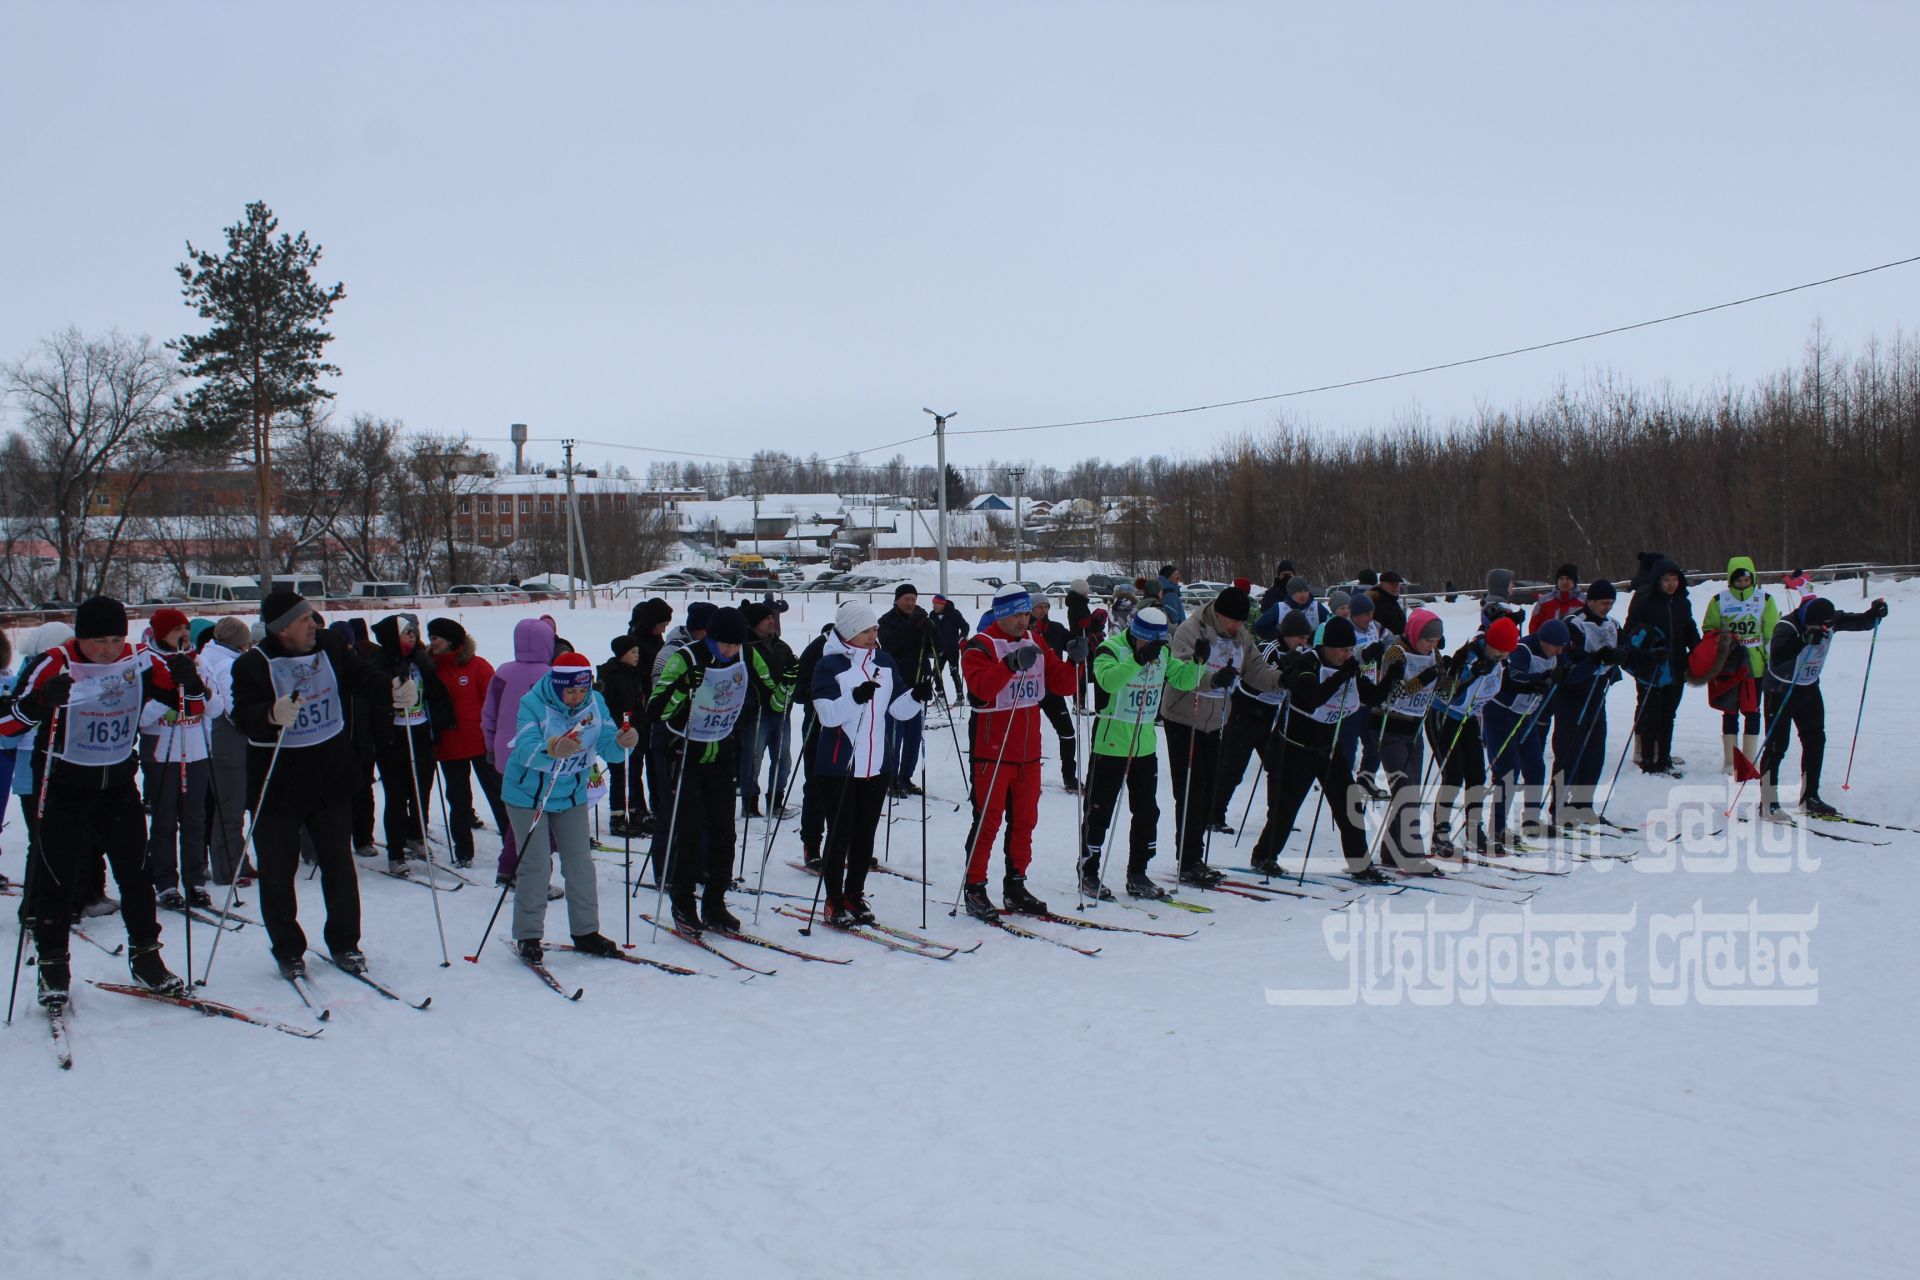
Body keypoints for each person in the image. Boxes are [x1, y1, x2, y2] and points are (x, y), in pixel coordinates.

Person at [1, 597, 193, 1006]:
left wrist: (188, 681)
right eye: (97, 641)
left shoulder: (140, 659)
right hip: (62, 786)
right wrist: (39, 703)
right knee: (58, 878)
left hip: (117, 785)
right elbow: (7, 723)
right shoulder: (53, 662)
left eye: (115, 639)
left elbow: (189, 707)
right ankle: (53, 968)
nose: (108, 650)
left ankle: (147, 957)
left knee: (136, 875)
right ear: (79, 637)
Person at [230, 590, 410, 978]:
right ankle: (288, 949)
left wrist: (392, 690)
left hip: (329, 776)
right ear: (281, 629)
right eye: (304, 620)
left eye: (312, 616)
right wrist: (270, 714)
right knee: (278, 873)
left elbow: (363, 677)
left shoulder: (330, 644)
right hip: (277, 784)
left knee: (339, 867)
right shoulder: (252, 664)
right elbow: (242, 715)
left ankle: (345, 943)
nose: (314, 624)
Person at [501, 650, 638, 958]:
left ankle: (586, 931)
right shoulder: (533, 703)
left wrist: (622, 742)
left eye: (582, 689)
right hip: (527, 795)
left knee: (580, 865)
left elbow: (608, 748)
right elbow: (523, 748)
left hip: (572, 792)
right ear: (557, 685)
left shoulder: (594, 702)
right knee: (536, 865)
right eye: (570, 690)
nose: (576, 697)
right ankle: (528, 935)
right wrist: (552, 747)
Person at [957, 584, 1080, 918]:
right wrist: (1010, 664)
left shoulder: (1036, 641)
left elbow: (1062, 684)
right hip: (992, 751)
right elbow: (981, 689)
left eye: (1026, 612)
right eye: (1016, 613)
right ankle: (975, 886)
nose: (1023, 619)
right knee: (988, 820)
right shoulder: (979, 646)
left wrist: (1076, 661)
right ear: (1001, 614)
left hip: (1028, 751)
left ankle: (1016, 883)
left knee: (1025, 821)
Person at [810, 600, 926, 925]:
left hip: (876, 766)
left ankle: (854, 894)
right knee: (840, 834)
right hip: (838, 767)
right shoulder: (829, 665)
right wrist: (854, 697)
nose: (874, 634)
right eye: (866, 630)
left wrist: (915, 696)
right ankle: (833, 900)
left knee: (865, 835)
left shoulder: (884, 661)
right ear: (849, 633)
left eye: (875, 628)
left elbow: (897, 709)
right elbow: (828, 716)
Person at [1160, 585, 1285, 886]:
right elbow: (1179, 668)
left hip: (1215, 720)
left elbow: (1254, 667)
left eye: (1241, 622)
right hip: (1183, 716)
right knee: (1190, 790)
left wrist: (1281, 679)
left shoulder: (1240, 636)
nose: (1238, 627)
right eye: (1233, 621)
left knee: (1207, 789)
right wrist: (1211, 678)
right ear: (1219, 614)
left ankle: (1195, 855)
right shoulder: (1191, 630)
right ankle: (1187, 859)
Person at [1248, 615, 1389, 880]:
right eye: (1342, 650)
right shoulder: (1307, 663)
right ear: (1327, 647)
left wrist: (1392, 675)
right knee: (1285, 809)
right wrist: (1340, 677)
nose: (1346, 655)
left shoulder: (1347, 665)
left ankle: (1360, 864)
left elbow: (1371, 696)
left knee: (1349, 805)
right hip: (1294, 748)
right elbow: (1310, 699)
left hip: (1326, 748)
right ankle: (1263, 856)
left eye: (1350, 650)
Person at [1079, 607, 1203, 900]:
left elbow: (1183, 680)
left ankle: (1138, 872)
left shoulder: (1162, 653)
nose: (1151, 649)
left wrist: (1199, 662)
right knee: (1099, 812)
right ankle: (1088, 870)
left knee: (1147, 812)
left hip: (1144, 745)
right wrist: (1137, 659)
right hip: (1110, 745)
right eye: (1145, 643)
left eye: (1155, 644)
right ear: (1135, 635)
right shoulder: (1111, 649)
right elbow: (1107, 681)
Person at [648, 606, 752, 934]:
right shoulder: (686, 658)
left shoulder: (740, 657)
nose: (731, 651)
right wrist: (683, 687)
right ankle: (683, 901)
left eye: (736, 646)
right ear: (711, 636)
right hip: (685, 754)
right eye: (726, 645)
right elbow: (656, 708)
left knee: (724, 833)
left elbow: (756, 686)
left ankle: (715, 902)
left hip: (720, 753)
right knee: (690, 832)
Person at [1758, 594, 1887, 819]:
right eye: (1823, 626)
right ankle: (1768, 802)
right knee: (1777, 747)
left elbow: (1860, 622)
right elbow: (1777, 655)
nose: (1828, 629)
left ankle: (1810, 798)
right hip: (1780, 691)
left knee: (1815, 740)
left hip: (1808, 689)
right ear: (1810, 620)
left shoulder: (1829, 619)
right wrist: (1804, 639)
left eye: (1830, 625)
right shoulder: (1787, 625)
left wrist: (1875, 614)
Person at [1213, 609, 1315, 839]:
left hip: (1272, 716)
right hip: (1246, 711)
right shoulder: (1269, 649)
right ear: (1287, 634)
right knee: (1232, 768)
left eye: (1306, 638)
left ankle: (1279, 819)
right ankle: (1214, 815)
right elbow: (1254, 679)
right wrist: (1284, 668)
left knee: (1279, 769)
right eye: (1300, 637)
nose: (1303, 642)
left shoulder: (1302, 654)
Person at [137, 608, 214, 909]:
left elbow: (215, 707)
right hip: (162, 753)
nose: (182, 634)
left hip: (196, 751)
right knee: (165, 821)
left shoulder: (198, 660)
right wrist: (164, 700)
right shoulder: (146, 661)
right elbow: (140, 718)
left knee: (195, 819)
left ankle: (195, 879)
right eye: (174, 630)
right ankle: (166, 882)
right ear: (160, 633)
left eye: (185, 628)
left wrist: (199, 691)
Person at [368, 613, 453, 876]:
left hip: (420, 731)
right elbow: (373, 699)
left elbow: (435, 693)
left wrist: (441, 720)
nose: (412, 638)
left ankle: (416, 834)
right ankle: (395, 851)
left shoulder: (420, 660)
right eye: (406, 633)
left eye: (413, 633)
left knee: (421, 789)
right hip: (393, 736)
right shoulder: (379, 664)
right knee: (396, 795)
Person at [1426, 616, 1518, 855]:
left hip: (1467, 720)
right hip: (1443, 716)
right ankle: (1440, 835)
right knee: (1453, 775)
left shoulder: (1497, 662)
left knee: (1477, 776)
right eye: (1500, 652)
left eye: (1506, 654)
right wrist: (1473, 674)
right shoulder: (1467, 656)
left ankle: (1475, 833)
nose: (1502, 658)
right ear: (1491, 642)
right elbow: (1450, 693)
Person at [426, 618, 510, 869]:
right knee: (458, 800)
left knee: (498, 795)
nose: (432, 642)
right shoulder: (429, 668)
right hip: (449, 746)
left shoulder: (478, 666)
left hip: (480, 743)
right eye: (430, 637)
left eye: (436, 637)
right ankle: (463, 850)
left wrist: (496, 736)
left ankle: (513, 846)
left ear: (451, 640)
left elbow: (496, 702)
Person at [1370, 608, 1448, 873]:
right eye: (1427, 640)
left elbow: (1445, 691)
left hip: (1414, 731)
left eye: (1436, 641)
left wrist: (1448, 673)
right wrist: (1428, 676)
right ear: (1415, 634)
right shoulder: (1396, 653)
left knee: (1410, 792)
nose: (1431, 646)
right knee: (1406, 792)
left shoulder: (1433, 654)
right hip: (1389, 728)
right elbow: (1396, 692)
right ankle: (1411, 855)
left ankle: (1391, 851)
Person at [1480, 618, 1568, 848]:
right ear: (1544, 641)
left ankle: (1531, 819)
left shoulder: (1555, 654)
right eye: (1556, 646)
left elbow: (1567, 670)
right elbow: (1515, 676)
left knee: (1536, 765)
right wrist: (1538, 680)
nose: (1559, 651)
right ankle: (1497, 828)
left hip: (1525, 715)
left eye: (1562, 646)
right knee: (1508, 770)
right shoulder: (1524, 649)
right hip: (1500, 714)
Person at [1550, 580, 1624, 825]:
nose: (1607, 608)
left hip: (1596, 696)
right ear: (1590, 601)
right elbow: (1570, 664)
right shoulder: (1574, 623)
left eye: (1611, 603)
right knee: (1569, 751)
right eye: (1604, 603)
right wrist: (1594, 661)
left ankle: (1583, 805)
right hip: (1572, 697)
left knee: (1594, 751)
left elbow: (1621, 654)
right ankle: (1560, 806)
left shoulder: (1613, 625)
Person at [1698, 556, 1777, 774]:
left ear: (1752, 578)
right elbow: (1709, 629)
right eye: (1738, 580)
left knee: (1752, 711)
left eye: (1746, 580)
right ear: (1730, 580)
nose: (1742, 584)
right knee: (1729, 711)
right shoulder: (1718, 601)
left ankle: (1749, 759)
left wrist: (1772, 661)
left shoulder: (1765, 600)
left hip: (1756, 665)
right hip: (1730, 665)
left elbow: (1771, 633)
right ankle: (1731, 762)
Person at [1622, 556, 1698, 775]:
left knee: (1669, 715)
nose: (1671, 584)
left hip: (1676, 666)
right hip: (1651, 667)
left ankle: (1664, 758)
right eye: (1666, 580)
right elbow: (1630, 631)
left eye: (1674, 579)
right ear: (1657, 580)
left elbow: (1689, 628)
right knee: (1651, 714)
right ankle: (1648, 759)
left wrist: (1698, 648)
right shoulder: (1645, 601)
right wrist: (1647, 649)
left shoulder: (1682, 601)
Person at [198, 616, 256, 886]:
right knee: (230, 809)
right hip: (227, 742)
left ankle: (237, 862)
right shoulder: (227, 664)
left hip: (218, 742)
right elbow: (234, 709)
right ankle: (229, 868)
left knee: (228, 807)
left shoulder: (210, 655)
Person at [739, 601, 798, 817]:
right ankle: (749, 803)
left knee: (783, 759)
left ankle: (776, 800)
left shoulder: (782, 646)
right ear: (755, 622)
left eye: (773, 618)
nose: (772, 621)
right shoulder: (744, 648)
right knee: (753, 759)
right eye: (767, 618)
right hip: (756, 712)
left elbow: (793, 675)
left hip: (782, 712)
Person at [877, 584, 934, 800]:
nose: (910, 603)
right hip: (896, 686)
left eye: (913, 599)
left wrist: (929, 628)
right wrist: (911, 625)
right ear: (897, 600)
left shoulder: (920, 620)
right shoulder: (886, 621)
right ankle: (890, 778)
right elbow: (891, 644)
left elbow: (935, 647)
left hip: (918, 683)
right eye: (906, 599)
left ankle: (906, 777)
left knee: (914, 734)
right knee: (895, 733)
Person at [1028, 597, 1083, 792]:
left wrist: (1082, 642)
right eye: (1038, 607)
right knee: (1028, 735)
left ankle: (1069, 777)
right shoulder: (1023, 632)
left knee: (1067, 732)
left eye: (1046, 606)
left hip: (1052, 689)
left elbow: (1074, 641)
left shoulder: (1056, 628)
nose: (1043, 610)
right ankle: (1027, 776)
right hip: (1029, 690)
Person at [597, 633, 649, 834]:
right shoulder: (611, 675)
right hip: (618, 733)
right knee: (619, 773)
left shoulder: (634, 674)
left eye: (638, 652)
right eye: (633, 652)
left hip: (635, 730)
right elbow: (607, 705)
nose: (637, 656)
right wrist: (617, 725)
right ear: (621, 654)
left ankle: (635, 811)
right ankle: (617, 816)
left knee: (635, 771)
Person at [928, 594, 969, 703]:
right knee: (936, 672)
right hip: (939, 649)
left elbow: (965, 626)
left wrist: (961, 638)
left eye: (936, 604)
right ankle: (940, 695)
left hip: (952, 649)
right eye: (933, 604)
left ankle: (960, 696)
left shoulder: (954, 613)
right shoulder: (932, 615)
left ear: (942, 604)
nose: (934, 606)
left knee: (954, 672)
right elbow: (929, 631)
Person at [1529, 564, 1584, 633]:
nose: (1564, 582)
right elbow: (1534, 626)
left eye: (1568, 578)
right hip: (1548, 642)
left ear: (1574, 581)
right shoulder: (1544, 601)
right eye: (1561, 578)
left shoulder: (1584, 602)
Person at [1367, 570, 1409, 640]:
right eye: (1392, 584)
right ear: (1382, 584)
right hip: (1388, 646)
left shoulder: (1392, 601)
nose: (1395, 587)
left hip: (1398, 644)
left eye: (1397, 584)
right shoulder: (1377, 604)